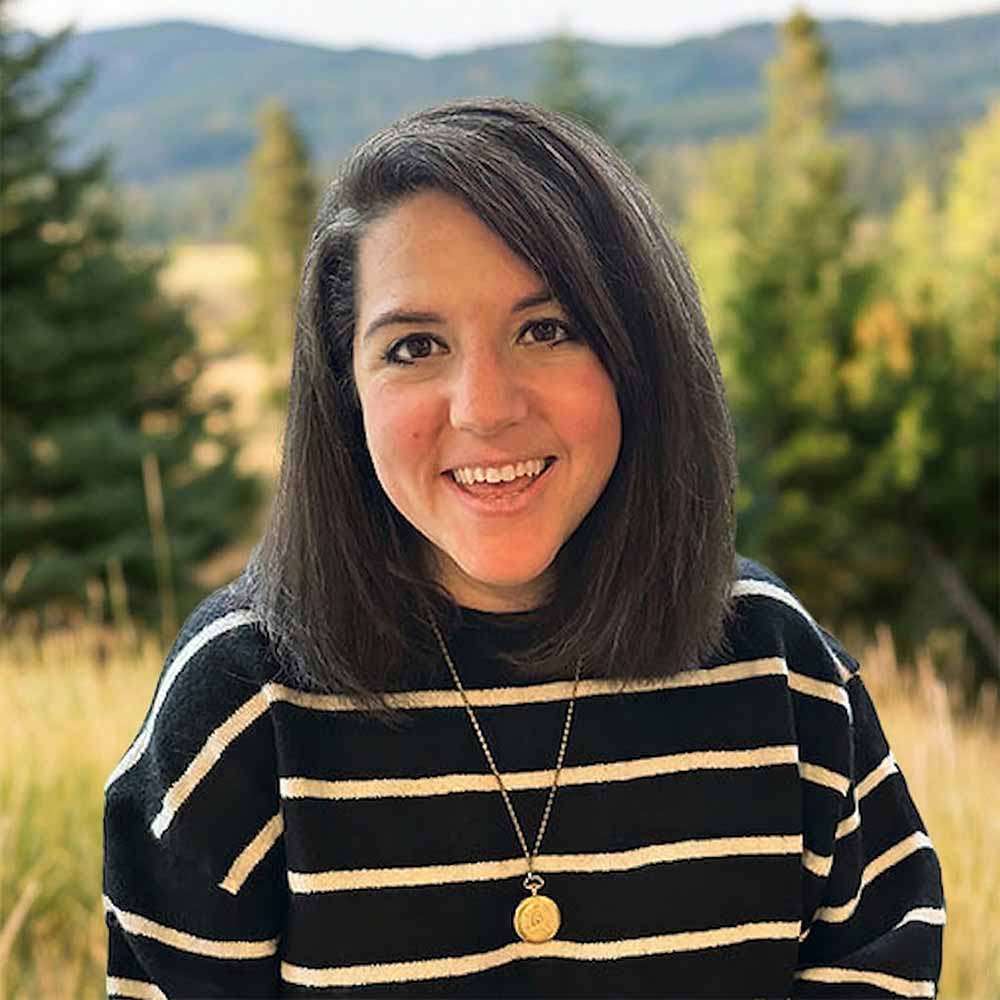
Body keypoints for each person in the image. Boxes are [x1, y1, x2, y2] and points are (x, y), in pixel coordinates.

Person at [103, 98, 944, 998]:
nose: (484, 407)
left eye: (547, 330)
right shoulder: (240, 706)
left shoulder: (781, 674)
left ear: (641, 355)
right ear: (346, 392)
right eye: (415, 346)